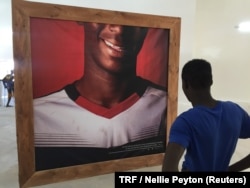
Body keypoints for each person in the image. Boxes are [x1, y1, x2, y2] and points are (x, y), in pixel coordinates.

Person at [34, 23, 167, 170]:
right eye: (101, 17)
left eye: (136, 23)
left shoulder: (166, 107)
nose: (120, 30)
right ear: (82, 21)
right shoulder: (36, 116)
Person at [162, 59, 250, 172]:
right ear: (211, 81)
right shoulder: (235, 111)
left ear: (185, 84)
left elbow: (168, 169)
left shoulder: (185, 122)